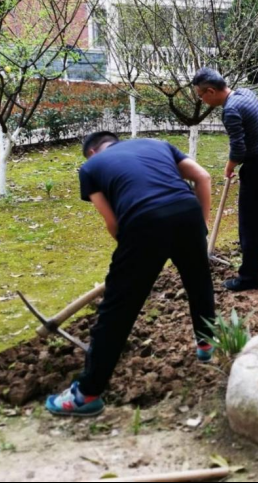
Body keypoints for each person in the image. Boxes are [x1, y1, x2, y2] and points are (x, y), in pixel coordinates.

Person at [46, 133, 216, 417]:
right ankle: (207, 345)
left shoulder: (90, 168)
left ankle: (87, 395)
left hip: (143, 221)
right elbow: (203, 177)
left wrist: (131, 257)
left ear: (92, 152)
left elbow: (112, 222)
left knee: (117, 309)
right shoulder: (157, 144)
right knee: (199, 283)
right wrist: (201, 226)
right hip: (187, 212)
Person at [191, 68, 258, 292]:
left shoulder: (230, 110)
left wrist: (229, 167)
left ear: (211, 91)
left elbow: (238, 149)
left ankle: (249, 277)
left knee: (250, 223)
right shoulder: (245, 93)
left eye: (201, 95)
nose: (202, 100)